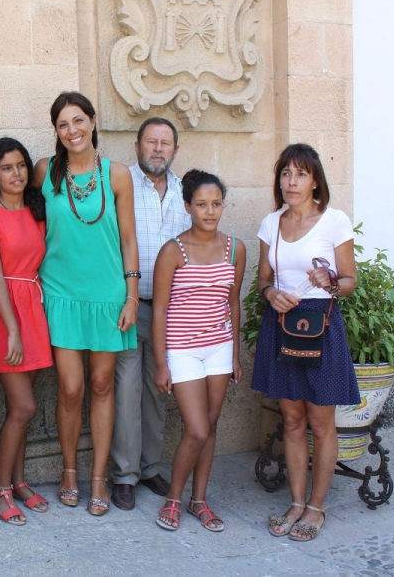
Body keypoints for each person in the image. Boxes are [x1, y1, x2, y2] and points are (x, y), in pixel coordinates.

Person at [35, 91, 139, 516]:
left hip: (108, 295)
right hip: (61, 293)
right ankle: (68, 470)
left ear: (93, 122)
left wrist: (131, 295)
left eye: (78, 120)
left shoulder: (118, 175)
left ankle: (97, 477)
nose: (72, 130)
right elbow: (18, 211)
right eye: (63, 124)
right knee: (70, 387)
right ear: (56, 131)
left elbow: (128, 239)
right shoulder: (45, 171)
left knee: (101, 384)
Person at [252, 143, 359, 542]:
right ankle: (297, 502)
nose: (291, 182)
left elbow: (349, 281)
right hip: (282, 322)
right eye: (285, 173)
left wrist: (330, 280)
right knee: (293, 419)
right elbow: (263, 280)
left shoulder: (334, 221)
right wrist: (270, 294)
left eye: (300, 174)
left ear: (315, 181)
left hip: (321, 324)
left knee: (320, 421)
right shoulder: (271, 224)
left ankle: (316, 508)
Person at [151, 170, 246, 532]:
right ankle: (174, 499)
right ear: (188, 206)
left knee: (210, 425)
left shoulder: (235, 249)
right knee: (197, 429)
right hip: (182, 350)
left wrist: (234, 355)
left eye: (216, 204)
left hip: (219, 346)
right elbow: (159, 309)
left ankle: (199, 500)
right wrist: (161, 363)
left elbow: (233, 303)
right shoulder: (172, 251)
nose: (210, 211)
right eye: (202, 204)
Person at [111, 117, 192, 510]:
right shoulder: (120, 182)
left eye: (165, 143)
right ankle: (124, 475)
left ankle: (149, 467)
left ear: (175, 149)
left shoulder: (185, 192)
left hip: (168, 312)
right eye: (151, 142)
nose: (158, 149)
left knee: (158, 392)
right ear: (137, 146)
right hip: (127, 305)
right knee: (126, 391)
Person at [0, 138, 52, 526]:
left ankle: (19, 482)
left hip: (33, 305)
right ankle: (1, 489)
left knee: (22, 408)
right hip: (4, 313)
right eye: (6, 167)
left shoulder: (38, 210)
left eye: (20, 165)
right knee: (23, 408)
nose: (16, 173)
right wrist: (14, 330)